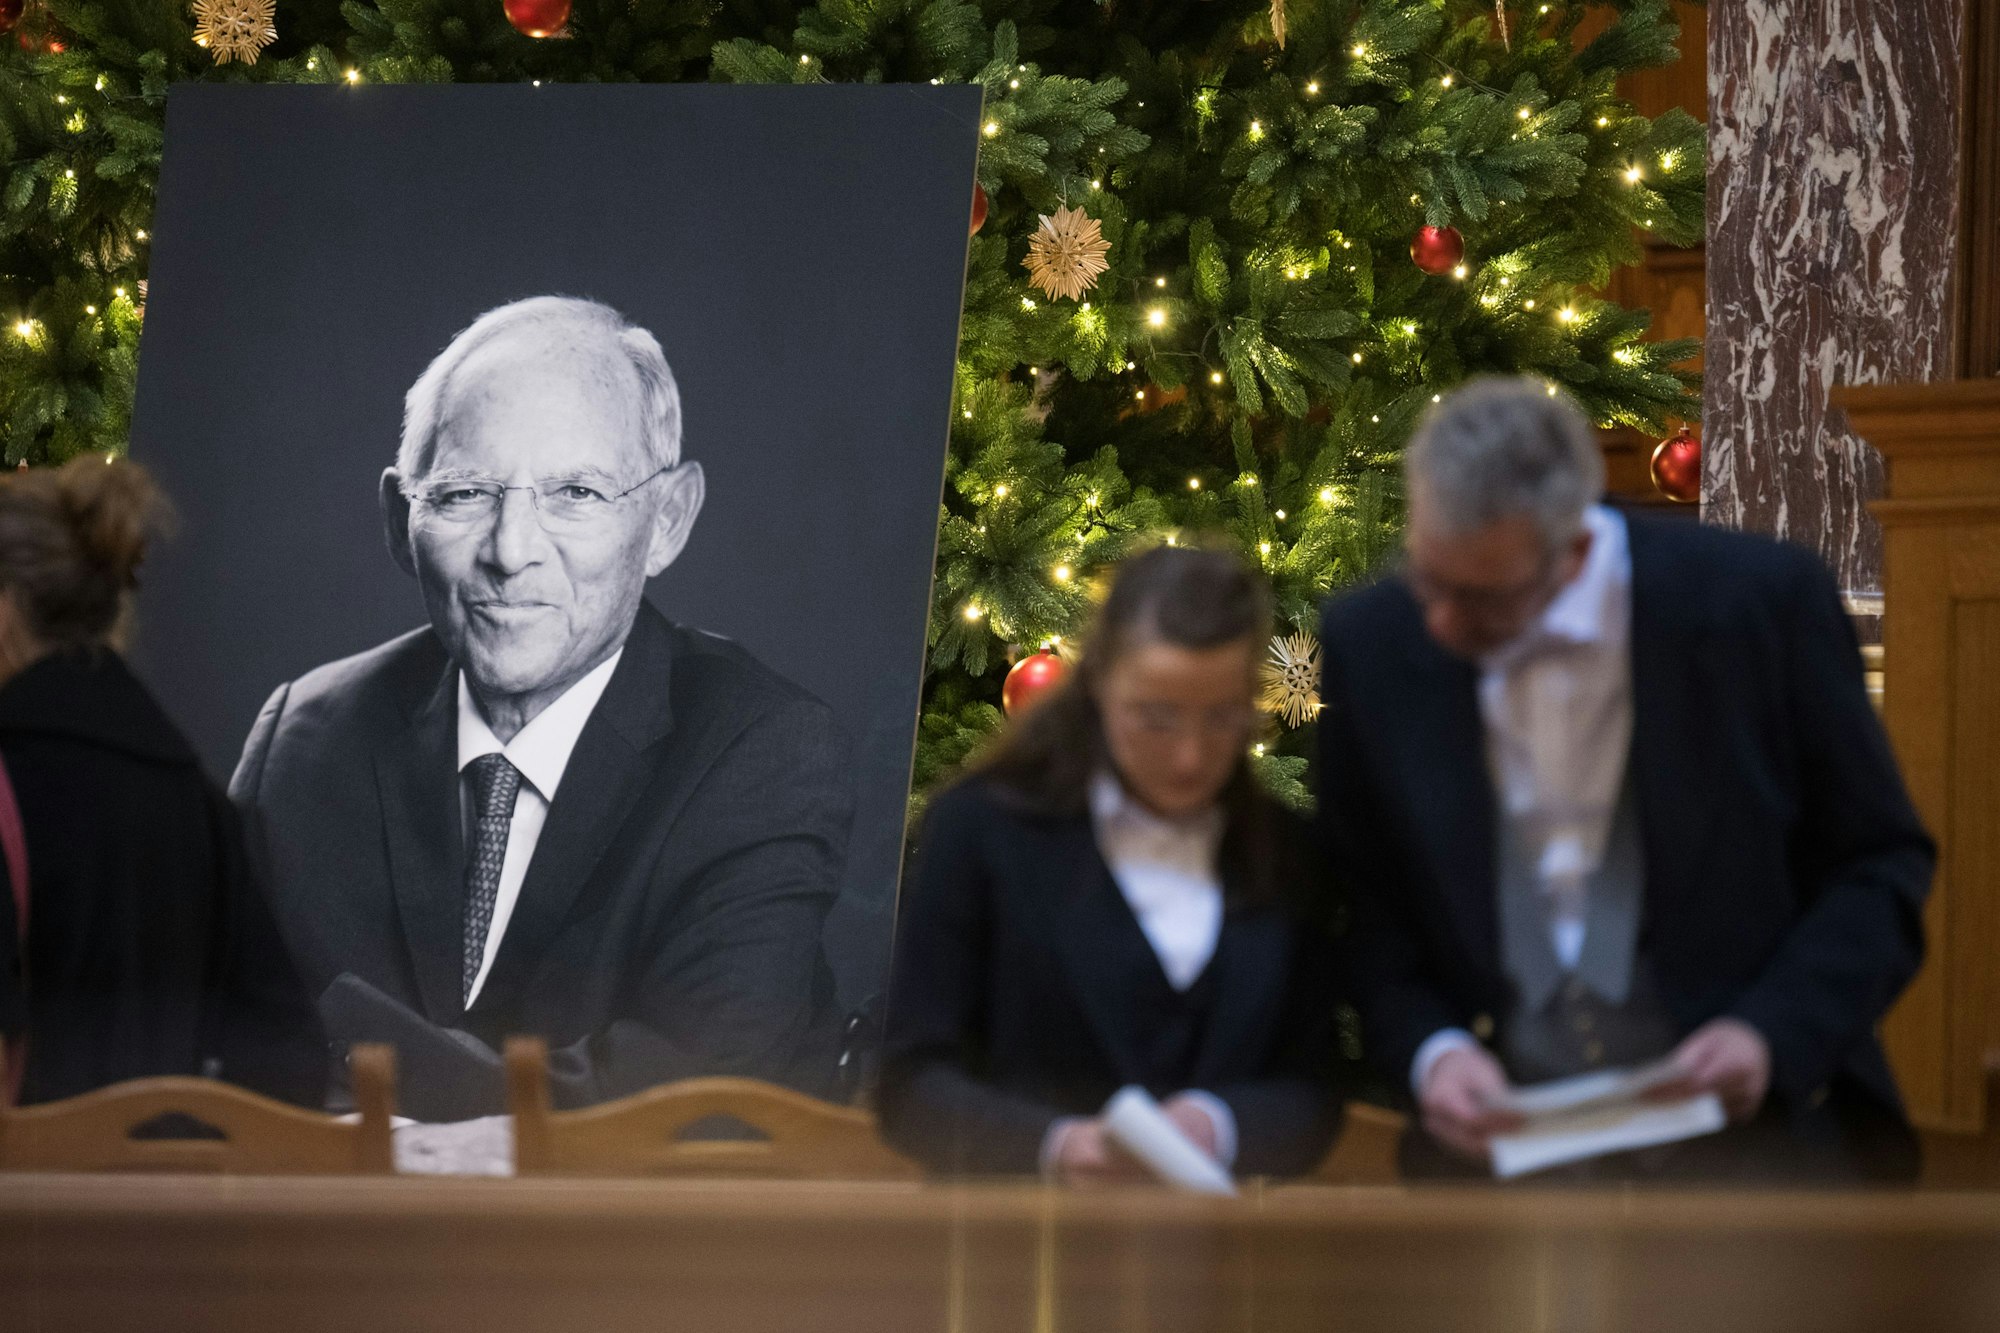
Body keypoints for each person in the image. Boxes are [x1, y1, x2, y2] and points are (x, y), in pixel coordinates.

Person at [230, 296, 854, 1120]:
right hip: (332, 1248)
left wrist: (360, 1080)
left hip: (632, 1251)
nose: (510, 550)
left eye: (576, 493)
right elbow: (212, 1057)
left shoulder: (765, 753)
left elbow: (680, 1100)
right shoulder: (302, 741)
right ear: (398, 518)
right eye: (463, 494)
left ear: (667, 519)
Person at [1317, 377, 1933, 1182]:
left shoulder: (1764, 609)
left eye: (1478, 598)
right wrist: (1433, 1051)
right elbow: (1365, 902)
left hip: (1761, 1146)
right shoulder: (1373, 640)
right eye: (1427, 578)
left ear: (1574, 549)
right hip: (1493, 1160)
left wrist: (1767, 1034)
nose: (1438, 624)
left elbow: (1878, 866)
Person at [879, 546, 1346, 1181]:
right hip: (1015, 1254)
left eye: (1222, 718)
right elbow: (911, 1085)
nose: (1189, 756)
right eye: (1156, 717)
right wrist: (1057, 1145)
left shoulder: (1288, 852)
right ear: (1100, 686)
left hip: (1218, 1263)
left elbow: (1313, 1093)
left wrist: (1219, 1123)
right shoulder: (982, 831)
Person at [0, 455, 323, 1108]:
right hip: (154, 1203)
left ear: (6, 604)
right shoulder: (192, 795)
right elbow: (290, 1059)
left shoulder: (13, 768)